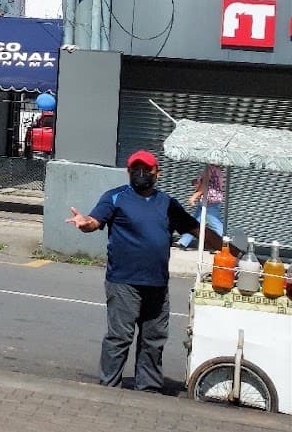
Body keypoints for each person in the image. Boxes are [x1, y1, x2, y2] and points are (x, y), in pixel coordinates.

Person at [69, 148, 222, 392]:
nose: (141, 173)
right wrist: (84, 222)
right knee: (119, 338)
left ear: (157, 173)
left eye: (146, 169)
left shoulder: (167, 204)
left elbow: (195, 229)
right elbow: (95, 221)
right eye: (136, 169)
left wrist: (227, 249)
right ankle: (108, 388)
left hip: (157, 285)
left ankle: (147, 391)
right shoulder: (115, 197)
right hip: (123, 282)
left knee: (153, 340)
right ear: (129, 172)